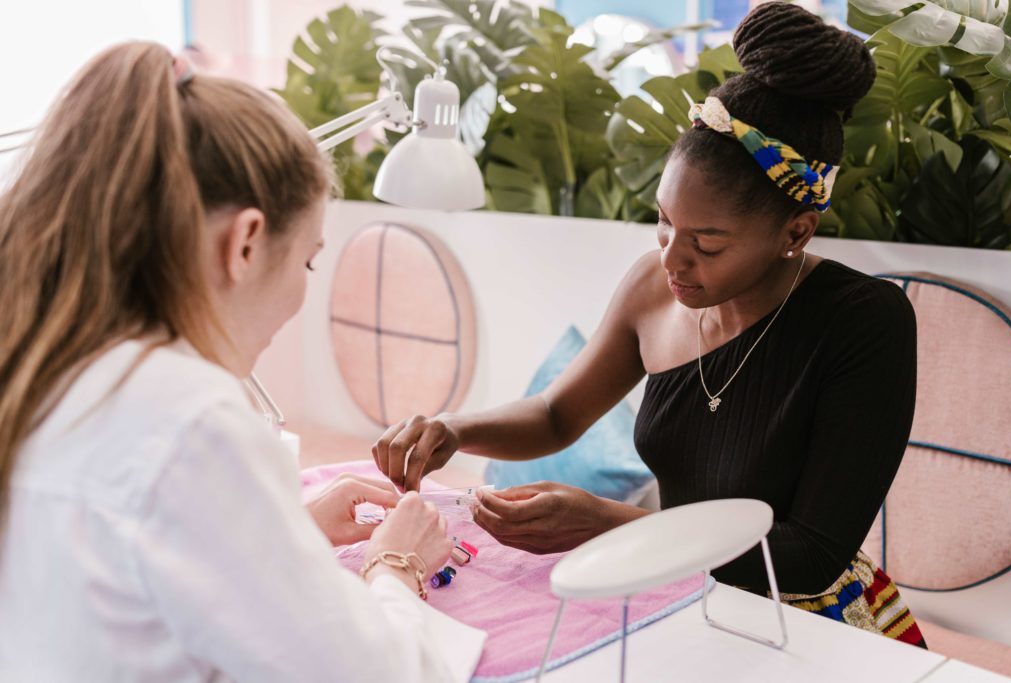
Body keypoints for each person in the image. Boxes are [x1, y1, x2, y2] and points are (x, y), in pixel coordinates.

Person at [373, 2, 926, 647]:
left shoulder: (863, 324)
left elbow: (808, 557)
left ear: (795, 232)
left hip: (809, 622)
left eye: (707, 243)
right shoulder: (653, 285)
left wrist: (607, 524)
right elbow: (556, 416)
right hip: (679, 587)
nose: (671, 258)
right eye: (663, 221)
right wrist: (454, 430)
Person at [0, 43, 484, 681]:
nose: (301, 294)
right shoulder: (190, 421)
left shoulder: (43, 370)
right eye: (308, 261)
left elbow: (128, 573)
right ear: (247, 242)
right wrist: (397, 563)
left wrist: (289, 536)